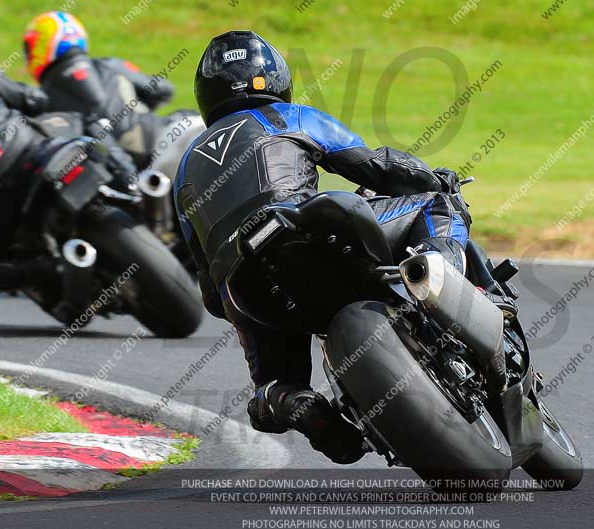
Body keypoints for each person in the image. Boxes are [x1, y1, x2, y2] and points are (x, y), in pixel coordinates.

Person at [175, 31, 479, 464]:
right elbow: (376, 167)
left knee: (270, 388)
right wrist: (433, 179)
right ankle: (441, 287)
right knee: (435, 204)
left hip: (245, 285)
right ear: (274, 78)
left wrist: (245, 304)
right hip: (312, 236)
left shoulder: (184, 167)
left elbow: (208, 290)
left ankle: (294, 402)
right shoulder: (285, 115)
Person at [0, 52, 136, 303]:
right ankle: (132, 183)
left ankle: (26, 273)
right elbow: (29, 98)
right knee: (83, 121)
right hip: (24, 151)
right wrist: (37, 101)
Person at [23, 11, 202, 176]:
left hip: (133, 177)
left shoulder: (41, 100)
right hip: (169, 137)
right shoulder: (109, 65)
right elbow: (163, 90)